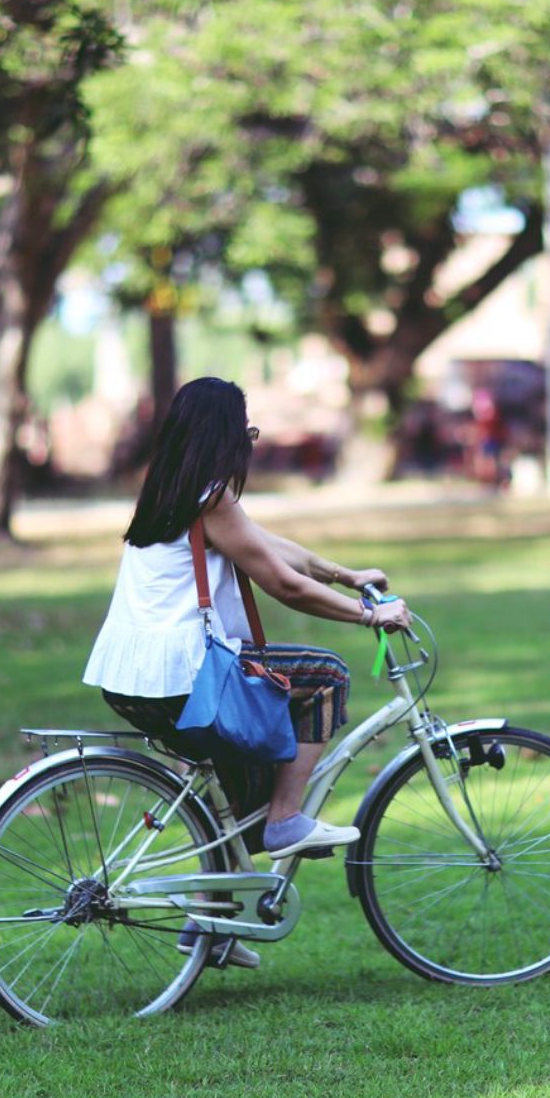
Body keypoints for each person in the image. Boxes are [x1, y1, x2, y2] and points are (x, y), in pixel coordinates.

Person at [82, 377, 412, 962]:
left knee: (234, 793)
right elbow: (284, 584)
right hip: (184, 674)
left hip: (133, 679)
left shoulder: (170, 493)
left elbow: (273, 547)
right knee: (327, 676)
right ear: (226, 436)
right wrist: (372, 618)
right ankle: (288, 820)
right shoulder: (212, 498)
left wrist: (346, 575)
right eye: (247, 432)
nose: (251, 444)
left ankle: (209, 928)